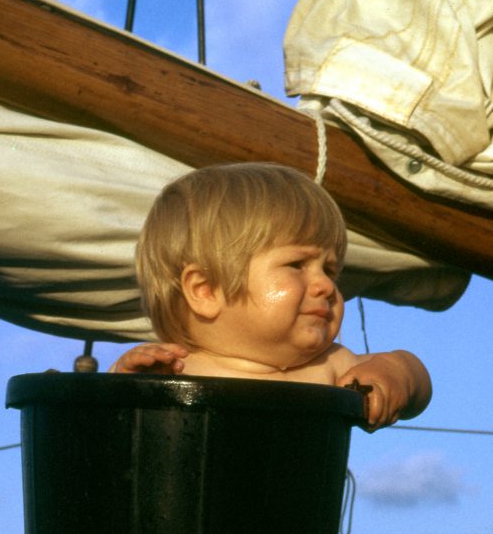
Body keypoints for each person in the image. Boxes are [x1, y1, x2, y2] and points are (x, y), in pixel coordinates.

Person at [110, 162, 432, 430]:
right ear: (205, 290)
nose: (327, 286)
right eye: (297, 265)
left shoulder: (331, 366)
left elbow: (416, 376)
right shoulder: (173, 371)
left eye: (330, 271)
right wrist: (125, 387)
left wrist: (393, 372)